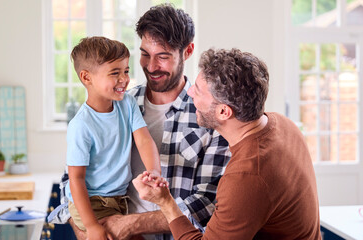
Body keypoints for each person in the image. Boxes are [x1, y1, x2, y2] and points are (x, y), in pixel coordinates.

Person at [48, 4, 231, 240]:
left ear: (187, 51)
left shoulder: (210, 116)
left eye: (163, 56)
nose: (151, 67)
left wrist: (131, 225)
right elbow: (71, 182)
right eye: (145, 54)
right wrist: (87, 228)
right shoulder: (119, 101)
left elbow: (208, 203)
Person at [133, 48, 322, 239]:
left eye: (197, 91)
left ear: (223, 112)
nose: (189, 92)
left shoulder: (246, 176)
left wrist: (166, 203)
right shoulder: (283, 124)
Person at [65, 36, 164, 240]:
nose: (124, 79)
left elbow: (144, 140)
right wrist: (91, 226)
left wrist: (154, 171)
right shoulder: (81, 125)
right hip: (91, 202)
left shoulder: (126, 104)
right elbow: (75, 179)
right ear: (86, 77)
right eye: (115, 73)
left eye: (126, 71)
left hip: (119, 199)